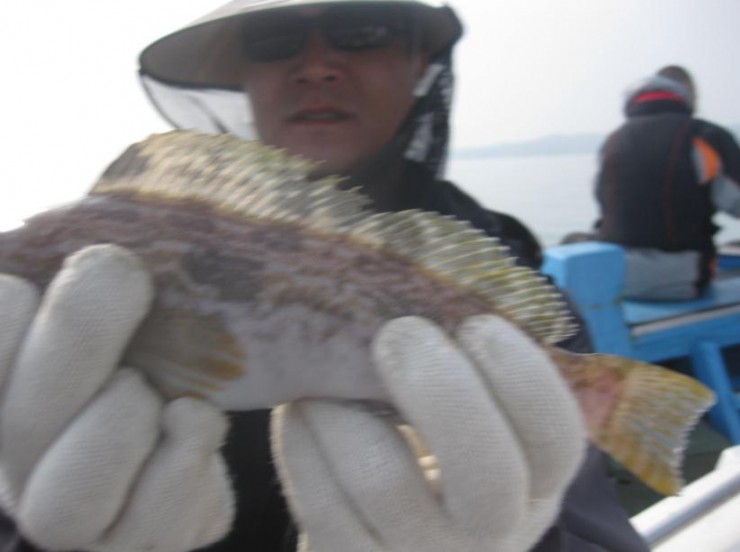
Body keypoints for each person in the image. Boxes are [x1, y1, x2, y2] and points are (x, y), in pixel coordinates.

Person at [0, 1, 649, 551]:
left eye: (361, 29)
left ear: (419, 61)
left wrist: (534, 541)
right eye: (274, 39)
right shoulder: (34, 313)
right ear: (241, 72)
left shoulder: (511, 277)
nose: (316, 66)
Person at [592, 65, 740, 300]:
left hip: (616, 278)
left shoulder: (611, 142)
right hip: (683, 281)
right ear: (687, 92)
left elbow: (604, 206)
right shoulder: (705, 136)